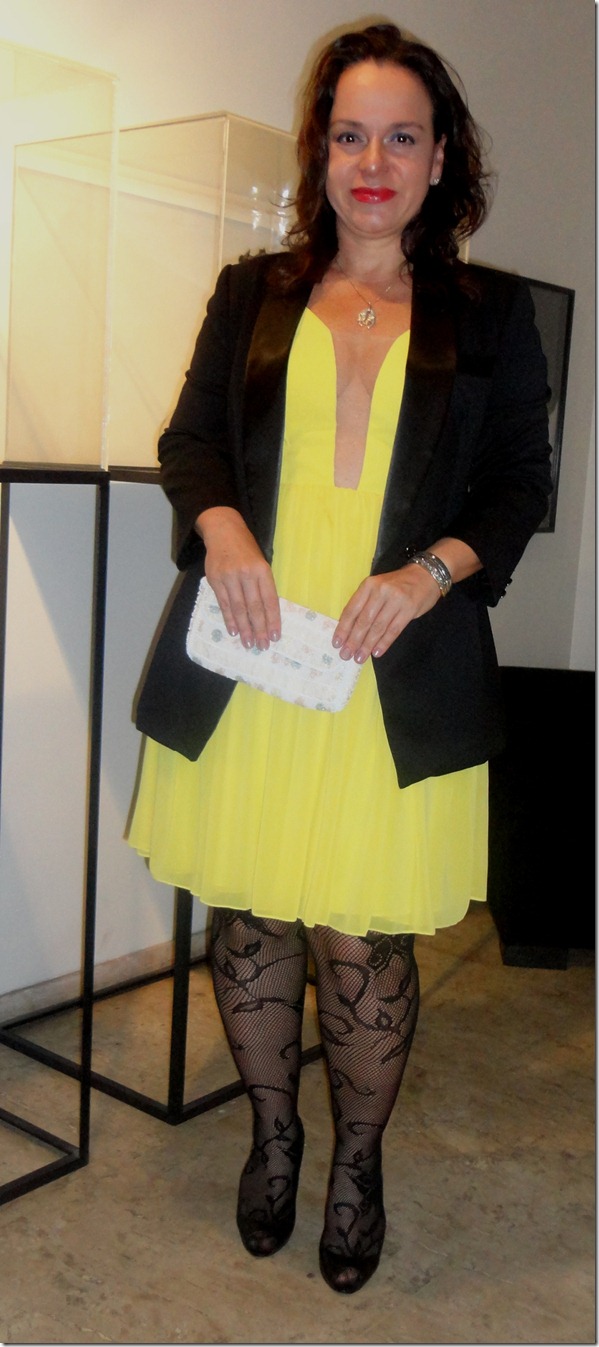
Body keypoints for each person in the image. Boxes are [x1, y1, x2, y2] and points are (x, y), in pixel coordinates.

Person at [128, 22, 551, 1294]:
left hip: (390, 668)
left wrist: (428, 574)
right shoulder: (251, 292)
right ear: (320, 154)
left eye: (400, 137)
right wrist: (219, 529)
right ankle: (274, 1139)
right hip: (256, 653)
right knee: (252, 917)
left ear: (440, 159)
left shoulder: (490, 315)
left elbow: (516, 487)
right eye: (350, 136)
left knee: (361, 941)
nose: (373, 162)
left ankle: (356, 1166)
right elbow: (191, 442)